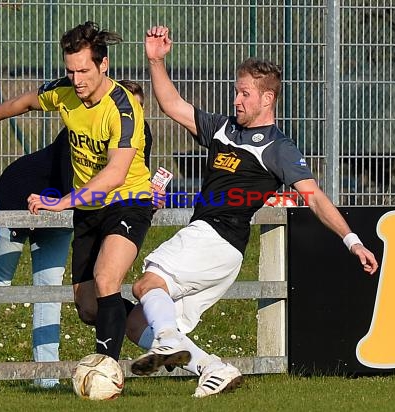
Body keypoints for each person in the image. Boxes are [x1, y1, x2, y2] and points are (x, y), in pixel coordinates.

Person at [126, 25, 380, 398]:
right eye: (236, 91)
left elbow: (315, 197)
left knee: (146, 284)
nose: (236, 100)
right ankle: (211, 368)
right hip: (222, 253)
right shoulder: (223, 128)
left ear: (267, 99)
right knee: (136, 323)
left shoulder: (278, 147)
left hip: (214, 237)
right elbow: (172, 105)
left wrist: (352, 240)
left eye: (244, 93)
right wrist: (156, 60)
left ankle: (166, 342)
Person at [0, 21, 153, 364]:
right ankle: (159, 329)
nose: (77, 80)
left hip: (126, 200)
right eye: (71, 71)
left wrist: (63, 202)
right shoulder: (66, 91)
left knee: (106, 279)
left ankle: (104, 370)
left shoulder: (124, 109)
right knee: (87, 306)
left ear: (104, 64)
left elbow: (115, 174)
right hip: (69, 204)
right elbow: (24, 102)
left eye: (84, 70)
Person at [0, 129, 73, 390]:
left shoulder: (134, 137)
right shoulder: (82, 127)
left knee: (49, 290)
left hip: (61, 211)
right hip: (17, 197)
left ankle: (47, 378)